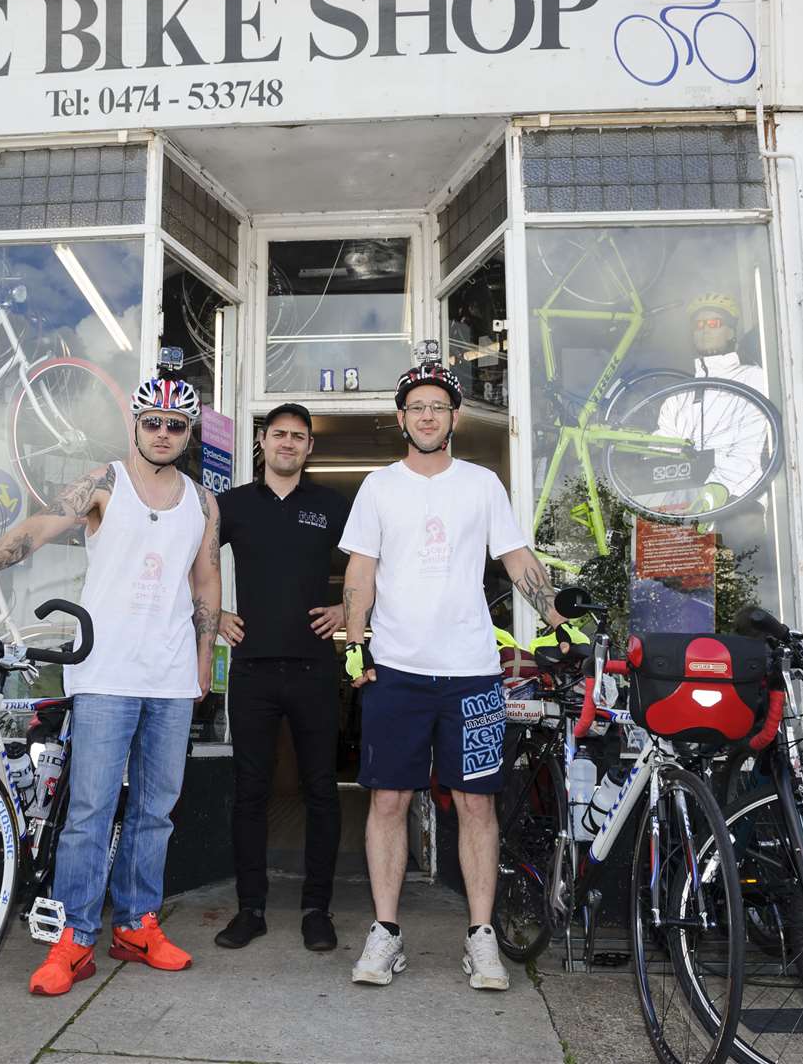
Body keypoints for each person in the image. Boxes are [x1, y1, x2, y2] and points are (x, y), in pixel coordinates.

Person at [0, 376, 222, 997]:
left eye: (176, 425)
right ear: (136, 425)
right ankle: (74, 936)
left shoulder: (202, 500)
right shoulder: (104, 482)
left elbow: (206, 584)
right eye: (153, 422)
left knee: (155, 810)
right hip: (105, 671)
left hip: (169, 676)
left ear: (189, 434)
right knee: (89, 811)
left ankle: (138, 925)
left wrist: (204, 656)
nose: (163, 433)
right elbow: (36, 529)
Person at [338, 352, 567, 991]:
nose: (428, 415)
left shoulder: (481, 483)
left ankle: (481, 936)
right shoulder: (379, 487)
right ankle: (385, 933)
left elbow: (516, 556)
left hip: (470, 673)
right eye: (417, 407)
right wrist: (355, 646)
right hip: (398, 671)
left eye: (438, 406)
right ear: (402, 419)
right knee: (388, 800)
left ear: (455, 416)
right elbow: (361, 571)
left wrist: (554, 617)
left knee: (476, 803)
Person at [212, 402, 349, 953]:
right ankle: (251, 910)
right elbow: (186, 558)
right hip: (253, 670)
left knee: (322, 792)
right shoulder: (233, 506)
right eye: (279, 435)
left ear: (310, 447)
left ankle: (317, 908)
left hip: (317, 670)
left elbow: (379, 562)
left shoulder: (332, 505)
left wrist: (347, 609)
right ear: (262, 443)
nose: (288, 444)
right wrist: (215, 615)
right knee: (250, 793)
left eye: (299, 436)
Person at [657, 292, 773, 506]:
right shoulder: (678, 396)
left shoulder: (754, 380)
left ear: (730, 331)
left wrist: (714, 490)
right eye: (698, 325)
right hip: (687, 510)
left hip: (740, 502)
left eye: (713, 323)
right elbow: (663, 454)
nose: (705, 330)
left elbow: (750, 451)